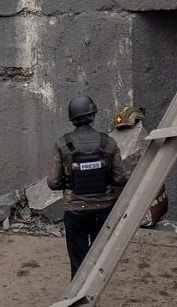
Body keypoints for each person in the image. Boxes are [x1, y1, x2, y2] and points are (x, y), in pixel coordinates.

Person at [47, 95, 128, 278]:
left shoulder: (63, 143)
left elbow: (53, 182)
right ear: (93, 116)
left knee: (78, 259)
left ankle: (76, 296)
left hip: (75, 211)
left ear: (72, 119)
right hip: (103, 208)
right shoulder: (108, 142)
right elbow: (121, 177)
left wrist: (70, 181)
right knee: (99, 257)